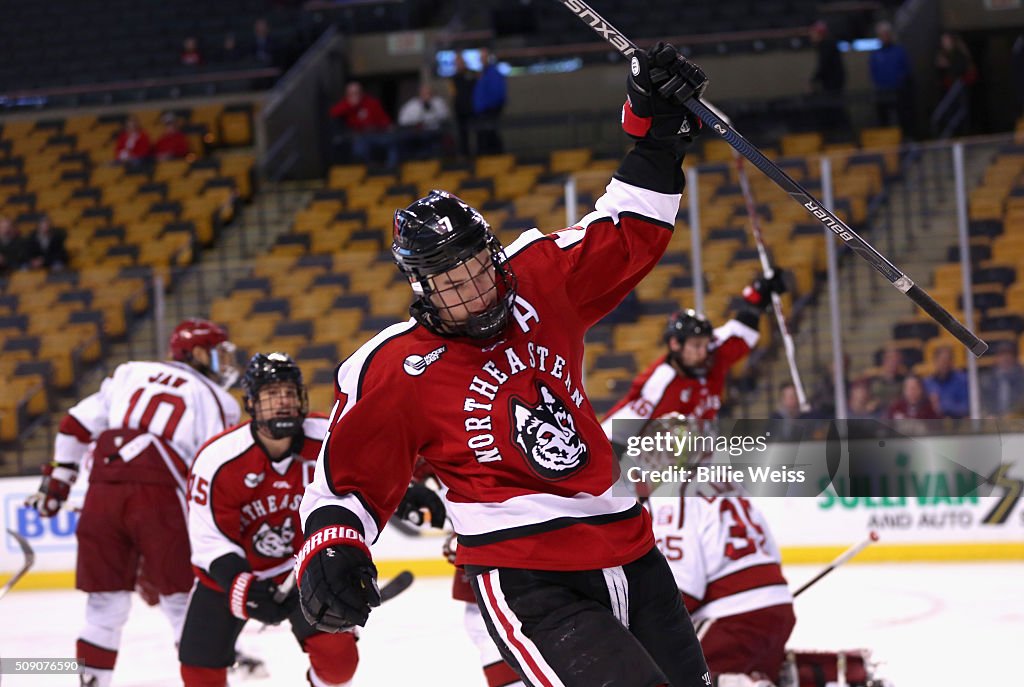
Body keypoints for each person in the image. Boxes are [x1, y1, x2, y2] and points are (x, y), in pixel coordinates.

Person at [297, 42, 715, 686]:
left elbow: (624, 231)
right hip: (530, 575)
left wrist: (654, 129)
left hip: (633, 551)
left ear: (493, 255)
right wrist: (333, 545)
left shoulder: (538, 279)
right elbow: (347, 479)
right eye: (450, 283)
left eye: (477, 270)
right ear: (421, 288)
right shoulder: (397, 366)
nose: (474, 292)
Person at [24, 319, 242, 687]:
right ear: (199, 353)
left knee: (103, 608)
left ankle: (91, 681)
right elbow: (215, 464)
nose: (223, 362)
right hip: (162, 496)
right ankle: (205, 676)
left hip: (102, 490)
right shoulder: (217, 399)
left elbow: (74, 426)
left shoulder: (130, 372)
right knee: (181, 601)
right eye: (217, 352)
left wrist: (57, 484)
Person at [179, 353, 356, 686]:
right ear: (252, 404)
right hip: (235, 572)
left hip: (305, 570)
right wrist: (243, 587)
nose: (284, 402)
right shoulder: (218, 459)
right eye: (272, 395)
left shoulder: (329, 439)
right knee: (198, 672)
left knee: (339, 664)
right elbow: (208, 539)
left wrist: (406, 494)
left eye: (289, 393)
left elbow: (370, 475)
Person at [602, 272, 785, 443]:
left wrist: (757, 296)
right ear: (675, 344)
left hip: (703, 453)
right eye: (696, 346)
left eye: (705, 344)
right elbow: (616, 431)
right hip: (664, 466)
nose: (703, 352)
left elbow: (740, 331)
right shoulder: (662, 381)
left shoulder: (712, 354)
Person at [648, 493, 795, 683]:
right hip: (779, 609)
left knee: (663, 673)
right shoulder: (729, 488)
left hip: (730, 618)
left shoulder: (670, 499)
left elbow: (683, 591)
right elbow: (773, 558)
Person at [329, 80, 398, 168]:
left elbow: (385, 121)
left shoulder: (372, 103)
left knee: (393, 142)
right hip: (358, 137)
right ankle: (368, 170)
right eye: (352, 93)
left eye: (357, 93)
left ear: (362, 92)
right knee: (359, 147)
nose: (355, 95)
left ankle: (390, 169)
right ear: (347, 95)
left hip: (377, 134)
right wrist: (351, 106)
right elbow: (333, 113)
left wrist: (387, 127)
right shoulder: (345, 104)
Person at [869, 21, 914, 136]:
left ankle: (906, 140)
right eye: (881, 34)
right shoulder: (875, 54)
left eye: (886, 34)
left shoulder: (899, 51)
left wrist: (900, 84)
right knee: (884, 121)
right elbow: (873, 72)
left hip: (899, 92)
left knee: (904, 119)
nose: (884, 37)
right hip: (883, 93)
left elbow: (905, 70)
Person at [397, 82, 450, 160]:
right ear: (419, 93)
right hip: (416, 131)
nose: (426, 95)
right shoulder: (412, 104)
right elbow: (402, 120)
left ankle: (431, 159)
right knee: (404, 139)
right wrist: (416, 121)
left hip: (434, 130)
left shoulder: (438, 102)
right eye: (423, 93)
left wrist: (431, 108)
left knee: (430, 138)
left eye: (428, 93)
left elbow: (445, 115)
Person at [472, 48, 506, 155]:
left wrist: (489, 107)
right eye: (480, 57)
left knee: (490, 136)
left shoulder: (493, 74)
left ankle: (496, 158)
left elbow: (498, 94)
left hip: (489, 111)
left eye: (483, 57)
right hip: (481, 112)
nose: (482, 60)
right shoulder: (482, 74)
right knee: (484, 137)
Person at [979, 341, 1024, 417]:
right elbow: (982, 402)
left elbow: (1021, 401)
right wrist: (988, 415)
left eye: (1009, 354)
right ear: (996, 357)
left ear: (1015, 358)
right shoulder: (986, 379)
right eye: (1001, 354)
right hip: (992, 420)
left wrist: (1012, 414)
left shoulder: (1022, 377)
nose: (1005, 358)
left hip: (1016, 419)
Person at [923, 344, 968, 419]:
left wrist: (942, 406)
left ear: (952, 362)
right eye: (942, 361)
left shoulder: (962, 380)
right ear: (935, 361)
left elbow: (966, 406)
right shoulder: (927, 383)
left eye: (948, 361)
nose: (945, 364)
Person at [450, 53, 478, 157]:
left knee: (478, 132)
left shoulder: (472, 74)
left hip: (473, 108)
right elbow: (453, 93)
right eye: (456, 63)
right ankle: (465, 156)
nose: (458, 64)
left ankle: (479, 154)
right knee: (462, 134)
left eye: (460, 62)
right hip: (460, 110)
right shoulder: (454, 77)